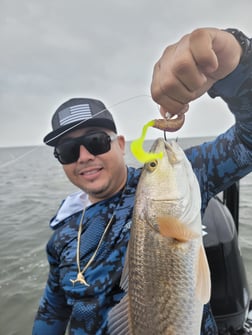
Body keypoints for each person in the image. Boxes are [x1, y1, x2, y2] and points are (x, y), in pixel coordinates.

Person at [32, 27, 252, 335]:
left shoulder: (184, 176)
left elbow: (247, 140)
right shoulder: (63, 234)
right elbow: (53, 312)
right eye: (68, 150)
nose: (83, 156)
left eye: (96, 141)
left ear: (120, 144)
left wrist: (237, 63)